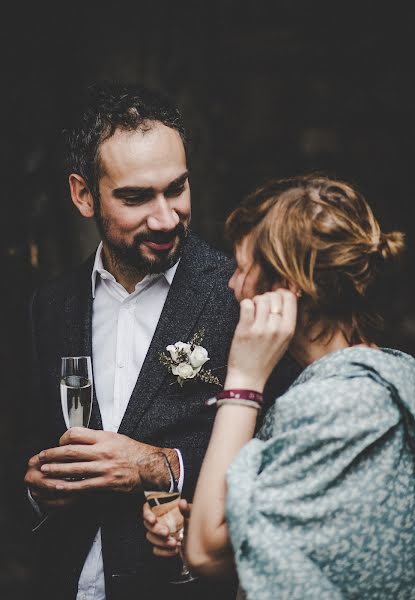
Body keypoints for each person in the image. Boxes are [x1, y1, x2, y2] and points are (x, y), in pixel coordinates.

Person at [22, 82, 294, 600]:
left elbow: (284, 447)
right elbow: (26, 439)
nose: (166, 217)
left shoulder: (239, 291)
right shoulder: (50, 305)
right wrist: (36, 487)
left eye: (177, 188)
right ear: (83, 195)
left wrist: (163, 465)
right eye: (136, 197)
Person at [144, 175, 415, 599]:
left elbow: (206, 553)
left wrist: (243, 381)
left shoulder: (341, 404)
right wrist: (228, 519)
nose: (231, 284)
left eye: (242, 268)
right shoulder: (370, 379)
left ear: (286, 287)